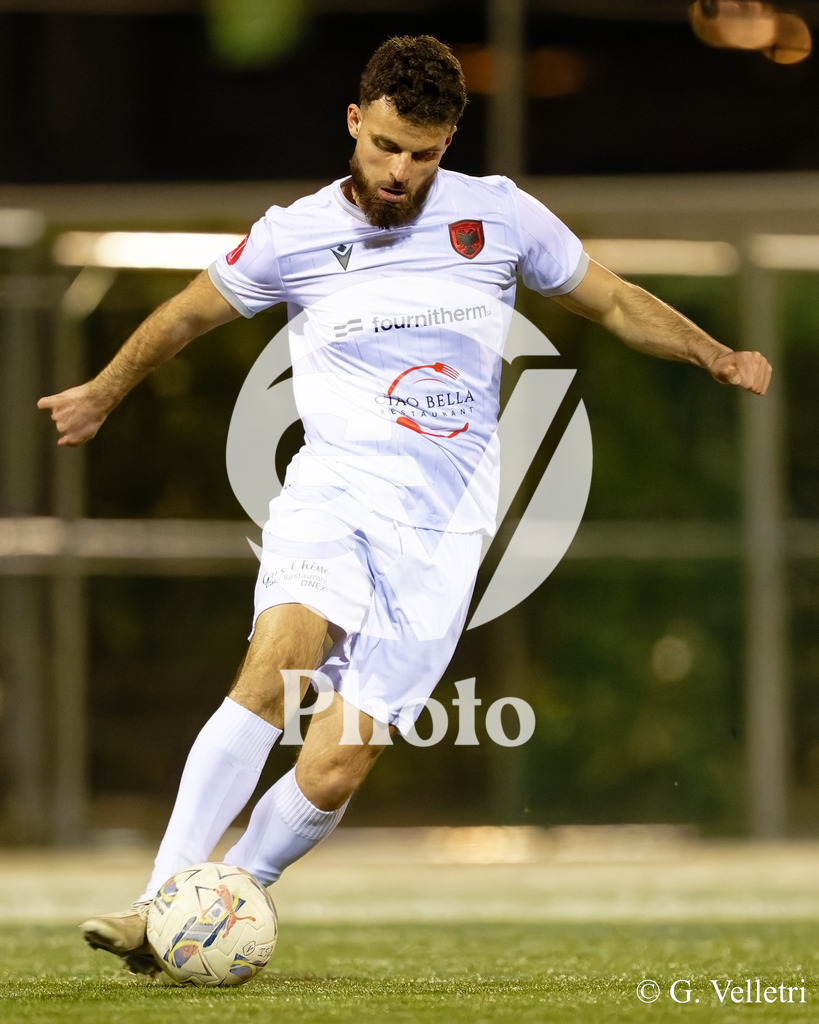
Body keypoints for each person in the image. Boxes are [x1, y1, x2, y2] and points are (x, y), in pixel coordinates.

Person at [38, 35, 772, 976]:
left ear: (447, 142)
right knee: (278, 663)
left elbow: (616, 302)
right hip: (332, 494)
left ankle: (225, 897)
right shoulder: (295, 233)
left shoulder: (497, 214)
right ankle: (160, 901)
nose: (399, 171)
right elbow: (187, 312)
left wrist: (714, 353)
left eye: (421, 154)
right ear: (355, 121)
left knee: (337, 763)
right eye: (385, 146)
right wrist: (102, 391)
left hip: (443, 532)